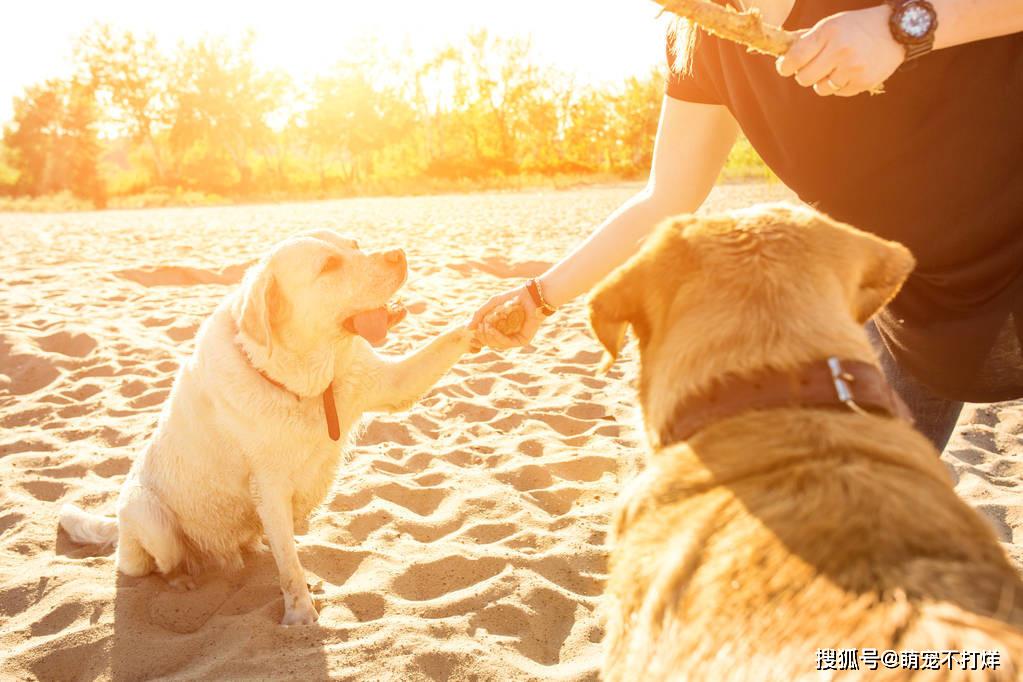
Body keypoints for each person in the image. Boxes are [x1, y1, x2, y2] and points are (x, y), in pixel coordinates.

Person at [470, 0, 1023, 453]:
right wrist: (540, 299)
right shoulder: (702, 40)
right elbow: (665, 198)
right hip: (911, 294)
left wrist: (900, 27)